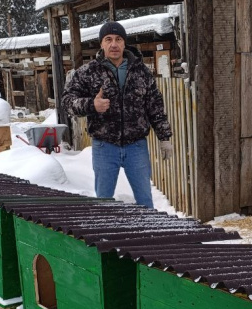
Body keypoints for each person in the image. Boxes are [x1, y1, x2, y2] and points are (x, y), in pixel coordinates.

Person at [62, 21, 173, 208]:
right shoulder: (88, 72)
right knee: (103, 201)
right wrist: (92, 104)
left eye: (118, 39)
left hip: (136, 146)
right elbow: (67, 102)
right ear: (101, 44)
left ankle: (147, 234)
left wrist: (165, 137)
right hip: (105, 146)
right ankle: (105, 235)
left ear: (124, 43)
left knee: (145, 200)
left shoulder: (141, 71)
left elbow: (155, 106)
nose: (114, 44)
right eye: (109, 39)